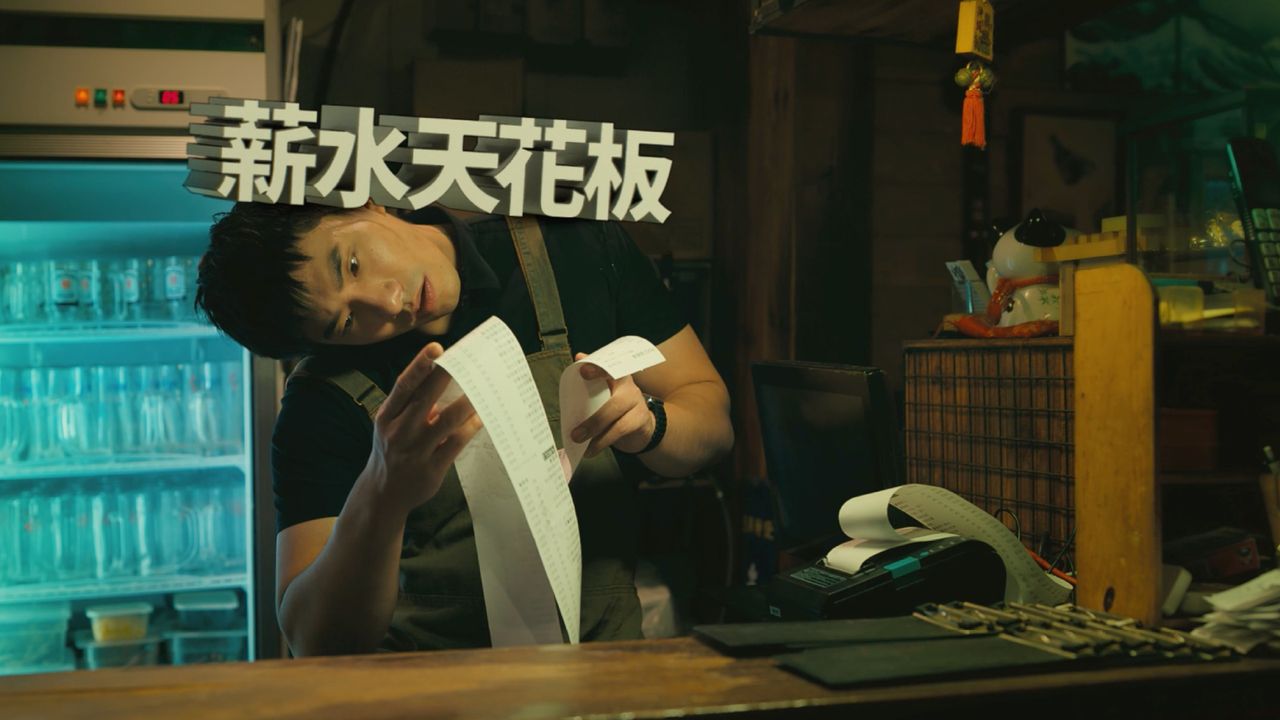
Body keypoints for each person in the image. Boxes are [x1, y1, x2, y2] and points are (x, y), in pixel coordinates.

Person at [195, 200, 734, 656]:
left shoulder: (578, 251)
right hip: (438, 692)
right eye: (347, 322)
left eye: (352, 264)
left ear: (361, 205)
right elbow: (312, 638)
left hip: (604, 671)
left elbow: (713, 420)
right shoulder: (323, 400)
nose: (388, 302)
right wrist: (383, 493)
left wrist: (649, 425)